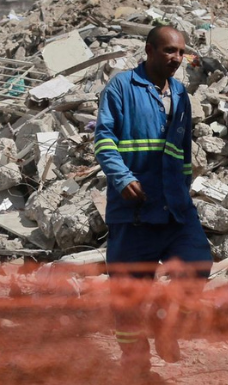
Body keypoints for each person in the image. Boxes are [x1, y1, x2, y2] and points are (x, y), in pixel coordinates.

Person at [94, 25, 212, 379]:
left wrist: (184, 185)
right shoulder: (121, 87)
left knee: (198, 263)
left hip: (175, 207)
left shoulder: (180, 94)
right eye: (169, 51)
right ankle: (135, 368)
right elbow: (103, 138)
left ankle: (166, 321)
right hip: (134, 212)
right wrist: (122, 177)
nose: (177, 59)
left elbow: (183, 151)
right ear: (149, 50)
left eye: (181, 52)